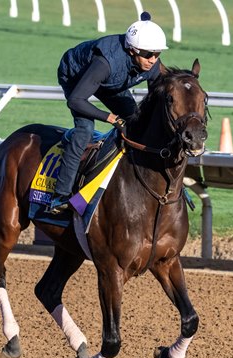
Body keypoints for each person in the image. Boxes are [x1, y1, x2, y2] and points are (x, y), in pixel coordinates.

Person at [49, 11, 168, 213]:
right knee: (84, 130)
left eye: (157, 54)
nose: (153, 60)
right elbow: (76, 101)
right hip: (77, 78)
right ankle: (61, 196)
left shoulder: (150, 62)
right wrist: (109, 117)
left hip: (112, 83)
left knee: (137, 123)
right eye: (148, 54)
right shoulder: (106, 63)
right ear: (132, 50)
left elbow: (155, 102)